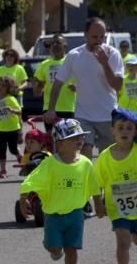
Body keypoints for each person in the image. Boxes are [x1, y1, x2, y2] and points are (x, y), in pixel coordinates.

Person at [19, 118, 102, 264]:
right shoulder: (50, 164)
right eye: (73, 137)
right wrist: (23, 198)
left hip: (75, 214)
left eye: (80, 136)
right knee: (55, 248)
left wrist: (98, 205)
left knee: (72, 248)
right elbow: (30, 181)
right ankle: (52, 247)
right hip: (53, 215)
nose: (79, 140)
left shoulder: (85, 163)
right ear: (61, 143)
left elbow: (94, 185)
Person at [44, 17, 124, 159]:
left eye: (102, 37)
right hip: (83, 115)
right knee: (85, 147)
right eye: (94, 36)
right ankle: (87, 180)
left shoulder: (112, 54)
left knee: (107, 155)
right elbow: (57, 84)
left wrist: (105, 63)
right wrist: (51, 109)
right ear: (85, 35)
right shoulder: (74, 55)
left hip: (107, 114)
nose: (99, 41)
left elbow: (117, 85)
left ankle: (103, 180)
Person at [94, 108, 137, 264]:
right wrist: (98, 204)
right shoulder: (104, 157)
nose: (125, 131)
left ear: (135, 132)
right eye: (120, 127)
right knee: (123, 240)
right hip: (117, 207)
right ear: (112, 130)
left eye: (129, 128)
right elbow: (96, 183)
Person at [32, 34, 77, 134]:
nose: (55, 45)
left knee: (67, 139)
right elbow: (38, 84)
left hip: (67, 108)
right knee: (50, 140)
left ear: (64, 45)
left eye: (58, 43)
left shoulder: (71, 63)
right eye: (53, 43)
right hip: (49, 109)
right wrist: (37, 88)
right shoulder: (44, 64)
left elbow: (83, 82)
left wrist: (76, 87)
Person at [0, 75, 22, 178]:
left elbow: (20, 111)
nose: (0, 87)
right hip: (0, 129)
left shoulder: (10, 99)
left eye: (3, 85)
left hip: (12, 128)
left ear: (8, 87)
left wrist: (12, 110)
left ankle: (20, 157)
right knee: (2, 150)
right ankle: (2, 170)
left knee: (13, 149)